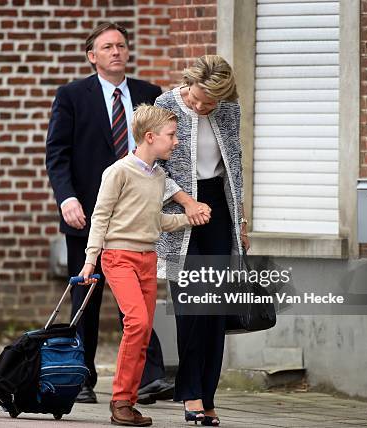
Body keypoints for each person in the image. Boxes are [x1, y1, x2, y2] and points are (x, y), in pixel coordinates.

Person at [45, 22, 174, 404]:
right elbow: (57, 154)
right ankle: (81, 377)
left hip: (136, 220)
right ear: (92, 56)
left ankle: (148, 377)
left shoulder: (150, 95)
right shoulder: (71, 96)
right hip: (86, 213)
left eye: (121, 45)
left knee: (136, 300)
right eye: (107, 47)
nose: (116, 51)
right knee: (87, 297)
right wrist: (66, 198)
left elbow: (164, 150)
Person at [79, 105, 203, 426]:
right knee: (135, 322)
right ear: (150, 137)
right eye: (171, 136)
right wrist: (91, 260)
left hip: (148, 258)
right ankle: (120, 400)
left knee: (144, 330)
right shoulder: (117, 172)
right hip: (118, 257)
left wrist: (188, 219)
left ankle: (129, 403)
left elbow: (154, 220)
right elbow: (101, 217)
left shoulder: (160, 176)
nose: (176, 141)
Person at [154, 55, 250, 426]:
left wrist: (239, 219)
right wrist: (187, 201)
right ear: (189, 85)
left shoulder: (228, 110)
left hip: (219, 212)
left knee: (214, 311)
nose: (199, 106)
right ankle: (190, 392)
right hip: (180, 212)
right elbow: (153, 166)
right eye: (196, 99)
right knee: (191, 306)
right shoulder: (165, 105)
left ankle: (207, 396)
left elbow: (234, 164)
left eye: (207, 103)